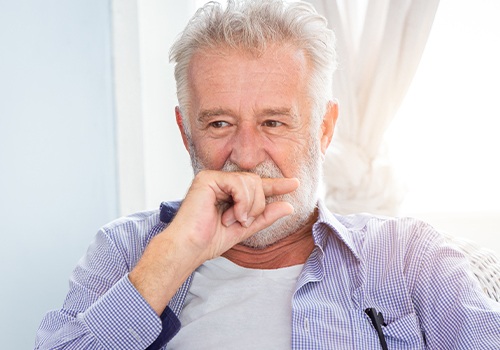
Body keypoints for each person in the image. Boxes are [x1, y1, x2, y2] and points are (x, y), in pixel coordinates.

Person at [35, 0, 500, 349]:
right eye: (219, 123)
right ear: (185, 132)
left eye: (274, 123)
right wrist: (175, 254)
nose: (246, 154)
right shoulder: (126, 251)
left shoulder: (410, 257)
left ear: (324, 128)